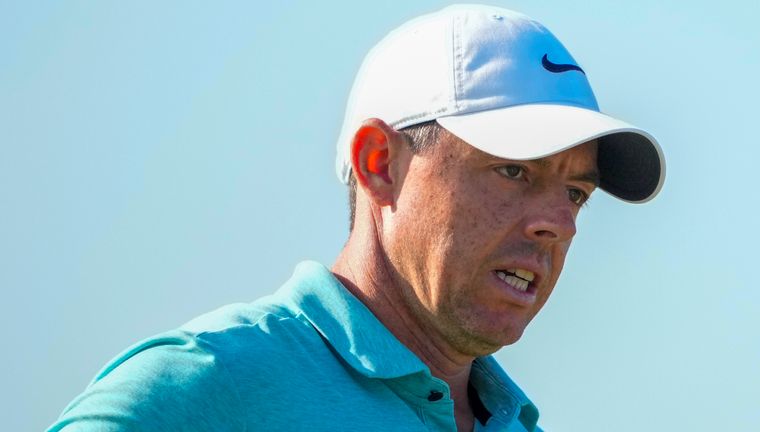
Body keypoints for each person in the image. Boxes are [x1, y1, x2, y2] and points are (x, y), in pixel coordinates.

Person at [48, 4, 664, 432]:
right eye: (514, 172)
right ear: (378, 163)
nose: (557, 224)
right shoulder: (212, 383)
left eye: (577, 194)